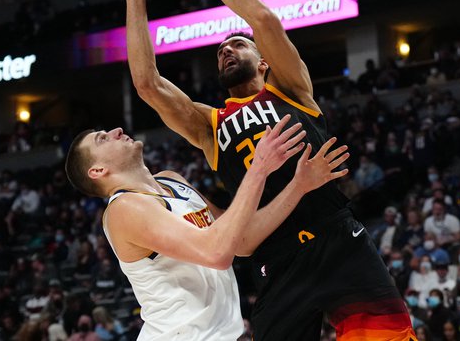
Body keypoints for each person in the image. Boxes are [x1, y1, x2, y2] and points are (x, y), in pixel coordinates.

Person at [113, 0, 416, 341]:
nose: (226, 51)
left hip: (336, 239)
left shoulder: (291, 89)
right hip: (276, 256)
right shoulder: (210, 126)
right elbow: (147, 84)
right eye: (220, 51)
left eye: (237, 44)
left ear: (265, 62)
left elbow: (264, 20)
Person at [64, 117, 349, 340]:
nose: (115, 130)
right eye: (102, 139)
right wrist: (259, 168)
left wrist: (298, 185)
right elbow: (216, 252)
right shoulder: (124, 208)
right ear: (98, 171)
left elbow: (240, 241)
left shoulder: (172, 180)